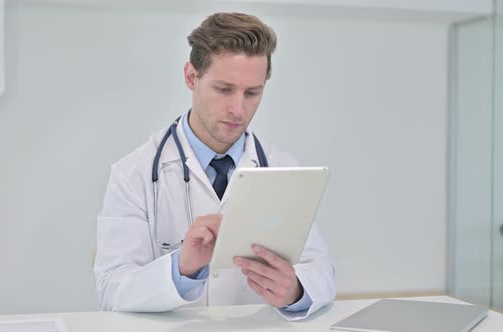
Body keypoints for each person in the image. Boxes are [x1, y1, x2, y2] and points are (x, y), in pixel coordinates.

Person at [94, 12, 335, 321]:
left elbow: (320, 269)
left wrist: (295, 291)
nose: (238, 109)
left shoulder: (281, 167)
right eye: (224, 89)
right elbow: (109, 290)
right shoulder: (134, 174)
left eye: (252, 93)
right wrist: (181, 267)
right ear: (192, 77)